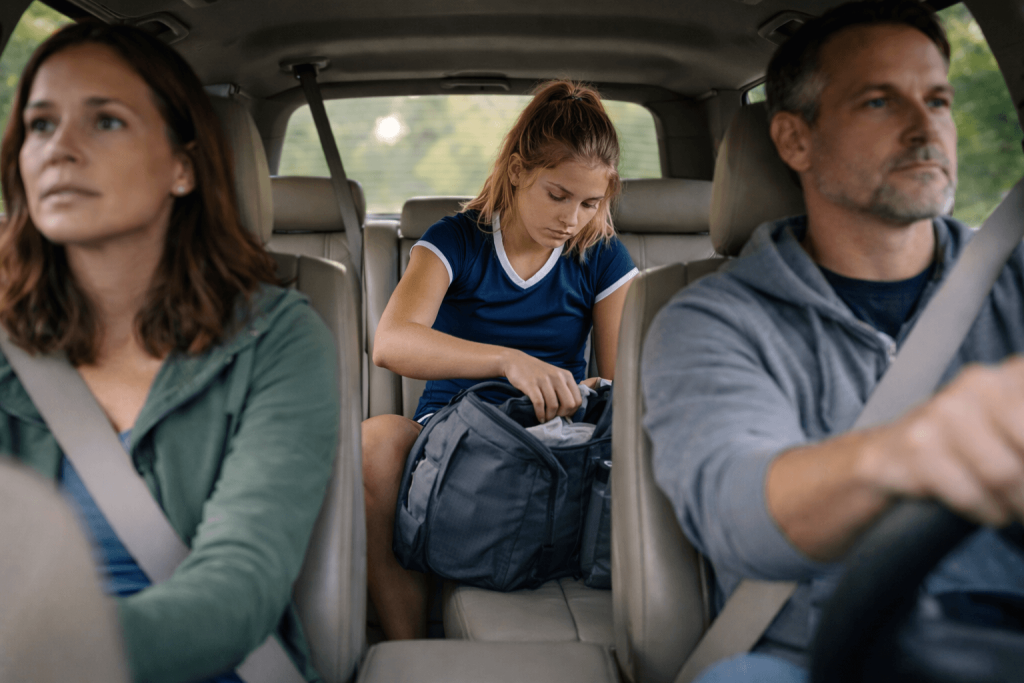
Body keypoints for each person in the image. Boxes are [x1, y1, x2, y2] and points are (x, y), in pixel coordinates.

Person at [642, 2, 1024, 681]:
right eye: (880, 102)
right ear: (794, 140)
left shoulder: (1011, 280)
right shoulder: (709, 321)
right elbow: (738, 506)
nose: (924, 128)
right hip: (818, 659)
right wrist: (907, 453)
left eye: (937, 100)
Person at [0, 22, 339, 683]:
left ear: (181, 166)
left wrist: (50, 656)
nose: (59, 149)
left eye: (106, 122)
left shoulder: (279, 339)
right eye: (40, 125)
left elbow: (238, 585)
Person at [363, 80, 638, 639]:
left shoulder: (599, 255)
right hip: (450, 433)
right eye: (557, 195)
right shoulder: (457, 239)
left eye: (590, 203)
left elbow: (616, 386)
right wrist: (509, 361)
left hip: (555, 434)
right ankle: (409, 646)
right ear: (517, 172)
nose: (571, 219)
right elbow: (391, 342)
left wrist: (587, 390)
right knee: (374, 442)